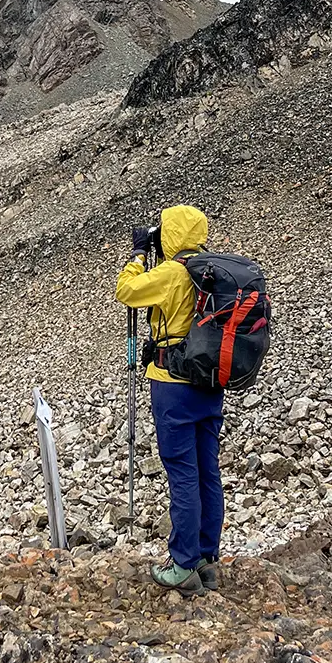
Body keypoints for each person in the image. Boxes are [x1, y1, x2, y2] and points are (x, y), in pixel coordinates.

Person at [115, 204, 224, 597]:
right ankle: (208, 559)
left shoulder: (173, 273)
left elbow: (126, 291)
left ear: (171, 234)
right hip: (210, 384)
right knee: (207, 471)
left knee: (182, 472)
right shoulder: (212, 272)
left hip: (172, 384)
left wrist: (139, 254)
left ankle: (183, 564)